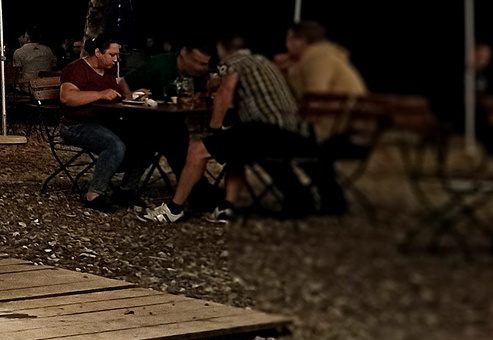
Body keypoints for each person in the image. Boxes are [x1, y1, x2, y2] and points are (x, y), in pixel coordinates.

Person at [142, 33, 335, 223]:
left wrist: (215, 129)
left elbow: (225, 92)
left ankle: (174, 209)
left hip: (265, 130)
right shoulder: (263, 62)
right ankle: (227, 208)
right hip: (294, 133)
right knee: (237, 150)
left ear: (221, 49)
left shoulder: (233, 62)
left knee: (198, 149)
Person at [56, 34, 149, 212]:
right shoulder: (77, 69)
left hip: (106, 122)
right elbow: (67, 97)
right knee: (114, 144)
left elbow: (116, 89)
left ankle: (126, 190)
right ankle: (94, 195)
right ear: (97, 52)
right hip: (76, 125)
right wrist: (99, 94)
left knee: (146, 141)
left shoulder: (108, 71)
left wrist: (133, 94)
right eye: (112, 55)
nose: (116, 59)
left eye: (117, 55)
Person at [133, 39, 213, 102]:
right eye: (196, 62)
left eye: (205, 64)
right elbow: (124, 83)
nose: (201, 68)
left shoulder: (205, 75)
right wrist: (132, 96)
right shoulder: (159, 64)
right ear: (184, 53)